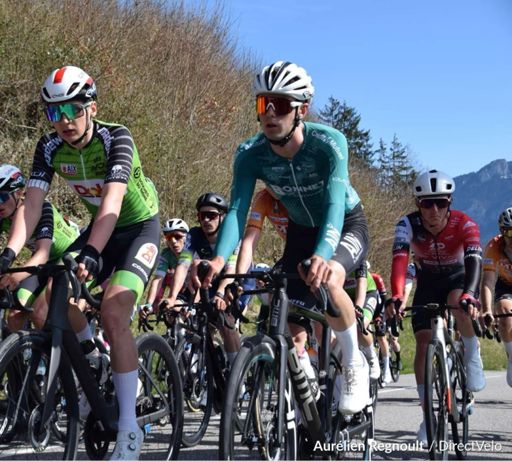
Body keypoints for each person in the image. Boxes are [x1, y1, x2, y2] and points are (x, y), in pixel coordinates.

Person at [0, 66, 159, 460]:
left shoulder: (116, 138)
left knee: (114, 312)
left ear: (92, 107)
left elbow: (112, 202)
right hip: (99, 230)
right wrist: (9, 253)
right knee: (45, 306)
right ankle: (92, 359)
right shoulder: (49, 147)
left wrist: (91, 252)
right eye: (54, 112)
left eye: (73, 109)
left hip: (137, 229)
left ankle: (129, 428)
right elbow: (31, 206)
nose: (65, 120)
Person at [196, 61, 370, 414]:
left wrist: (324, 254)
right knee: (284, 306)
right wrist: (219, 260)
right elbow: (237, 211)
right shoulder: (250, 153)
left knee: (330, 279)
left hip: (344, 223)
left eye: (281, 104)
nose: (270, 113)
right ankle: (304, 376)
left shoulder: (328, 143)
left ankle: (355, 363)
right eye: (264, 103)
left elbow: (335, 205)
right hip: (301, 231)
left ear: (302, 109)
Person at [387, 169, 485, 443]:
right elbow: (399, 260)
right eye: (427, 203)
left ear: (449, 202)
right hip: (428, 281)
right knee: (423, 341)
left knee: (457, 303)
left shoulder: (464, 223)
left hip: (458, 278)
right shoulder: (407, 225)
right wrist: (397, 295)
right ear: (418, 204)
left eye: (441, 202)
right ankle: (427, 415)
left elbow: (474, 260)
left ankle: (471, 354)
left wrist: (470, 294)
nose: (434, 210)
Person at [162, 192, 240, 367]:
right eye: (202, 215)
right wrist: (172, 297)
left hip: (230, 281)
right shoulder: (194, 234)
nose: (205, 220)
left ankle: (237, 373)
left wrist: (220, 293)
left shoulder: (231, 235)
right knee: (196, 322)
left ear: (222, 217)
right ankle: (203, 368)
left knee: (225, 322)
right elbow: (183, 266)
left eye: (211, 215)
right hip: (206, 281)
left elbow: (231, 269)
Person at [0, 164, 79, 331]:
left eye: (2, 197)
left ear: (19, 193)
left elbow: (43, 254)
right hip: (44, 264)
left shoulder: (42, 208)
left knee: (39, 311)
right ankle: (23, 349)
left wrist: (14, 277)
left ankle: (65, 347)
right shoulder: (4, 217)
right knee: (15, 313)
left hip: (68, 256)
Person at [481, 207, 512, 387]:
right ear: (502, 231)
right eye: (510, 232)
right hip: (505, 284)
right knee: (504, 311)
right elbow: (488, 282)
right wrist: (487, 310)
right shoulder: (494, 247)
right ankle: (511, 356)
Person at [142, 218, 189, 312]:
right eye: (169, 237)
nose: (173, 241)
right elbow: (157, 280)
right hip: (176, 284)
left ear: (186, 237)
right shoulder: (166, 254)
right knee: (164, 277)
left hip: (191, 285)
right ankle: (155, 308)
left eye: (177, 236)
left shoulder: (191, 250)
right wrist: (149, 304)